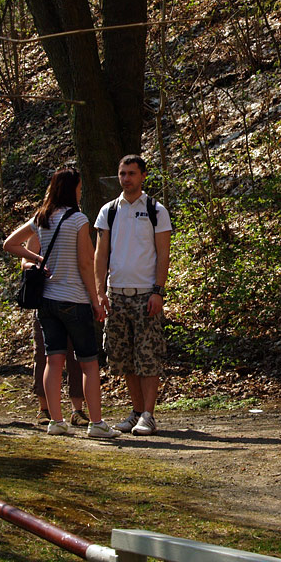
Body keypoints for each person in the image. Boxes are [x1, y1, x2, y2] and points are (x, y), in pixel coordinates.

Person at [3, 167, 120, 438]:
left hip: (46, 301)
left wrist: (36, 260)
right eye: (79, 187)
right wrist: (96, 300)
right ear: (73, 189)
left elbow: (10, 244)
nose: (81, 191)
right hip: (74, 299)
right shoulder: (78, 220)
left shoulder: (42, 218)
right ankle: (96, 423)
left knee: (53, 361)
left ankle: (55, 421)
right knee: (88, 363)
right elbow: (84, 263)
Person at [94, 155, 173, 437]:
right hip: (117, 295)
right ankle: (137, 411)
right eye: (122, 173)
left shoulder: (156, 210)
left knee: (148, 356)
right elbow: (101, 254)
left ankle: (149, 415)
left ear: (143, 176)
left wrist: (158, 291)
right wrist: (100, 291)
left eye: (131, 173)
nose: (126, 178)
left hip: (146, 295)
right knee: (125, 357)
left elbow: (163, 253)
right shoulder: (109, 211)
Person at [23, 235, 88, 427]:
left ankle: (77, 410)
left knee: (76, 355)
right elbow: (25, 260)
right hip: (44, 300)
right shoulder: (39, 223)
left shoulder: (77, 221)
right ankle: (45, 409)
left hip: (74, 297)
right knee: (44, 354)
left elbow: (87, 259)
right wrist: (37, 264)